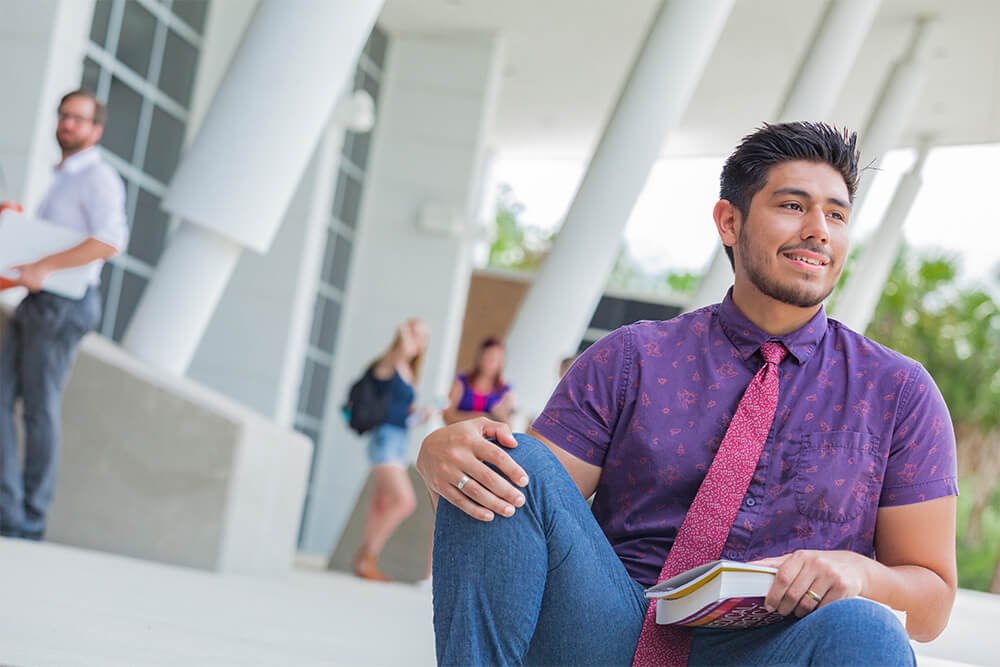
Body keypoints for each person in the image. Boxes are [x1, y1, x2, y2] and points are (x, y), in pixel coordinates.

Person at [416, 122, 958, 666]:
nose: (820, 230)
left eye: (836, 215)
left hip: (776, 646)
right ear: (729, 222)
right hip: (611, 625)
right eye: (794, 206)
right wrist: (442, 452)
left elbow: (931, 605)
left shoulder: (898, 393)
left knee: (865, 627)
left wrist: (860, 571)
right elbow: (516, 503)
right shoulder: (631, 358)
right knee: (505, 460)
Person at [0, 89, 127, 540]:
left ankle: (31, 518)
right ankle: (9, 513)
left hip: (65, 306)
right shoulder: (64, 178)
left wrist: (45, 266)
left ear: (95, 130)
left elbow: (110, 241)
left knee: (39, 411)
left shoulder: (98, 178)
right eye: (63, 115)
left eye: (78, 118)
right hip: (38, 302)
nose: (67, 124)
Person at [351, 318, 431, 582]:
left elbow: (401, 413)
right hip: (384, 441)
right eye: (414, 335)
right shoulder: (389, 363)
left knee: (381, 503)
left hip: (399, 441)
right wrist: (405, 336)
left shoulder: (409, 371)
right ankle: (367, 557)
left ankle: (364, 560)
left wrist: (421, 415)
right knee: (404, 501)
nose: (418, 341)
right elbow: (398, 354)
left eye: (423, 337)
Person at [442, 336, 516, 426]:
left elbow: (509, 427)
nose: (491, 362)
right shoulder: (461, 382)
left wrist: (501, 415)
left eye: (496, 359)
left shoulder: (505, 391)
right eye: (488, 356)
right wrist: (481, 417)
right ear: (480, 356)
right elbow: (447, 416)